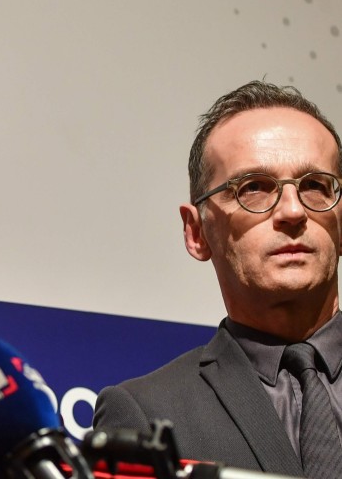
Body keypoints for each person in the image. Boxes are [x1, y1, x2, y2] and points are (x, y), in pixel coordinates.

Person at [94, 80, 342, 477]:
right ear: (196, 232)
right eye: (255, 188)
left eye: (315, 185)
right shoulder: (147, 412)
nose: (294, 211)